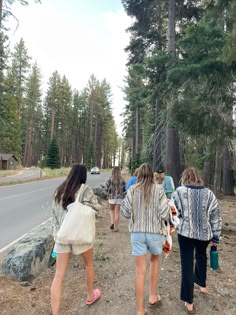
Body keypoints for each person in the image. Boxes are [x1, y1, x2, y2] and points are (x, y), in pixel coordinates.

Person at [51, 164, 101, 315]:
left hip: (63, 236)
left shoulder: (59, 190)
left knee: (59, 275)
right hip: (81, 236)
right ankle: (90, 295)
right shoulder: (85, 190)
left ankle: (55, 313)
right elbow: (97, 208)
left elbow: (54, 216)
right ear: (83, 176)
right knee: (89, 264)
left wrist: (56, 236)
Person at [121, 163, 170, 315]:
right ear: (152, 175)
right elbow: (164, 213)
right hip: (155, 232)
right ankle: (153, 296)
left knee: (139, 271)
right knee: (154, 261)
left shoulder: (132, 190)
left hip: (137, 233)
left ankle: (140, 311)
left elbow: (125, 212)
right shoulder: (159, 190)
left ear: (139, 175)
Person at [172, 167, 222, 314]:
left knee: (187, 264)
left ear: (184, 177)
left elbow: (174, 212)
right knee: (201, 256)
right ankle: (202, 284)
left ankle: (189, 300)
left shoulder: (179, 192)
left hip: (185, 234)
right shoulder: (209, 193)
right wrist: (216, 236)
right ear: (197, 178)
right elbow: (215, 215)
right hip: (204, 234)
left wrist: (176, 223)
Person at [106, 166, 126, 232]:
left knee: (112, 210)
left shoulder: (110, 178)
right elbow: (124, 189)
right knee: (117, 212)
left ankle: (112, 223)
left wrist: (108, 192)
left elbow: (106, 187)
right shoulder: (122, 179)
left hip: (111, 197)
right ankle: (116, 227)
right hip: (119, 198)